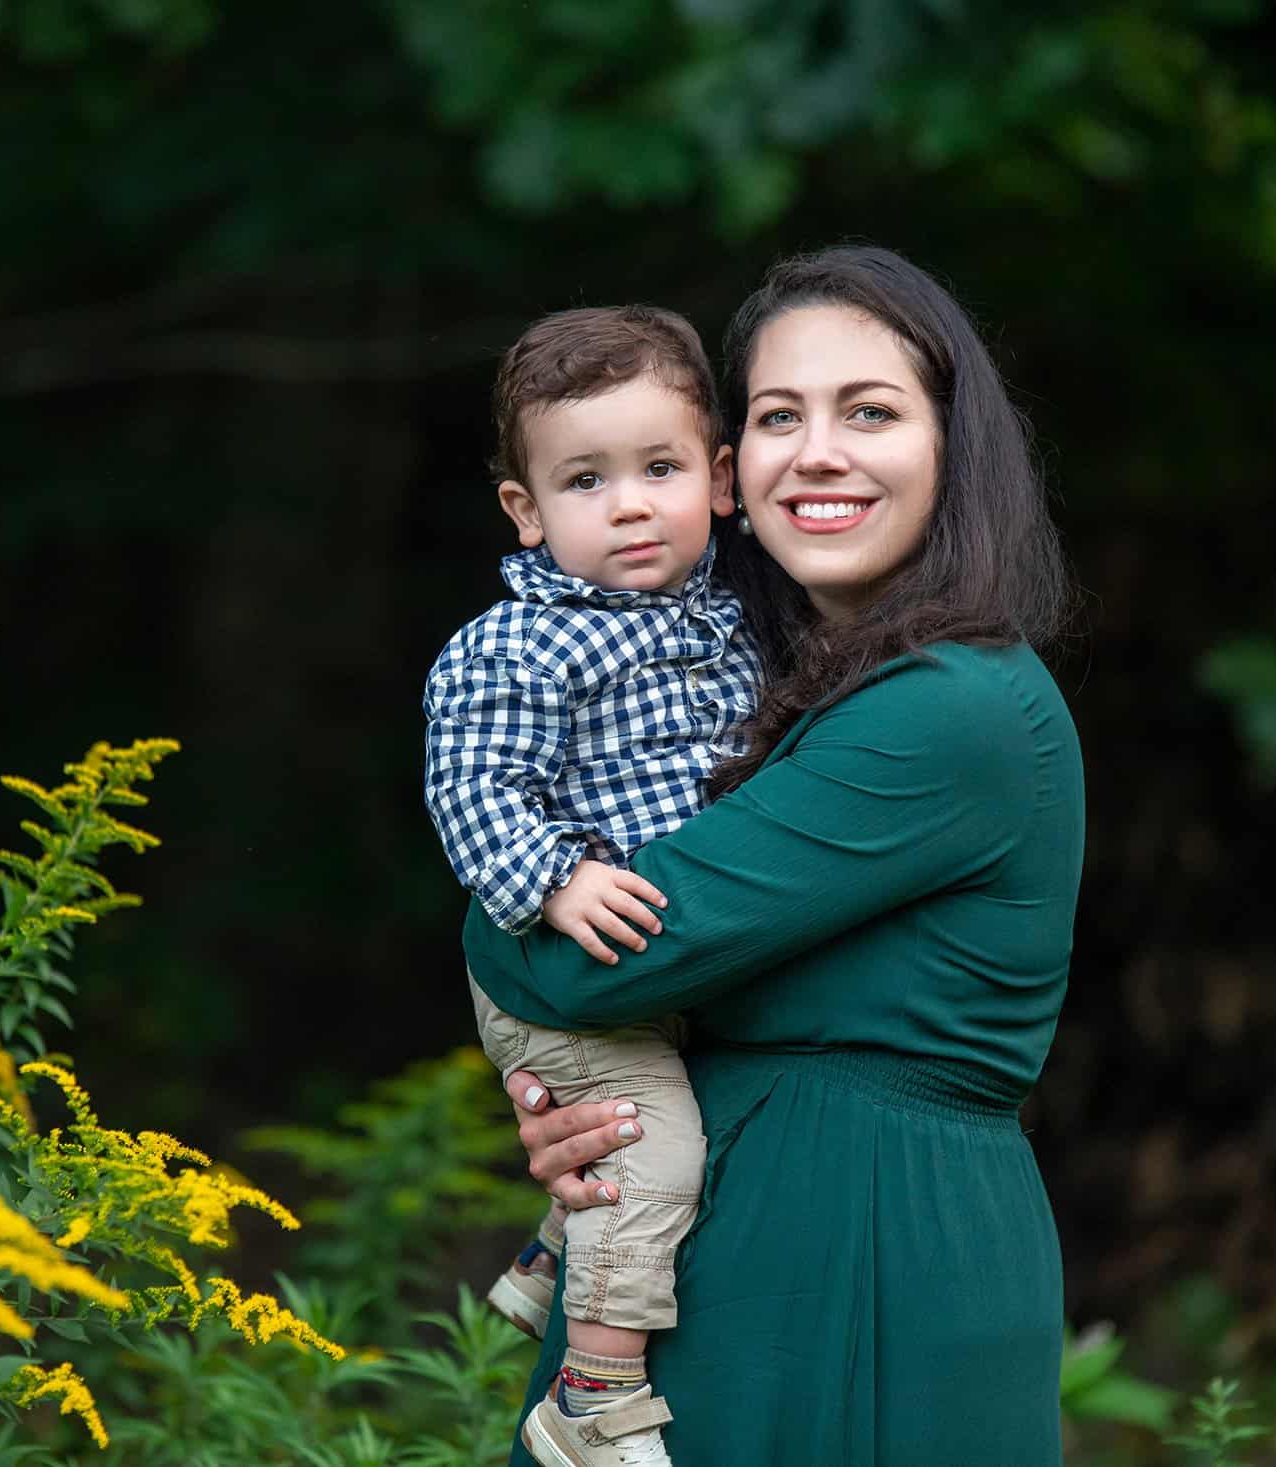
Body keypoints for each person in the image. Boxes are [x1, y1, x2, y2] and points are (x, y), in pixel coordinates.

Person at [464, 244, 1081, 1467]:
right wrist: (575, 1105)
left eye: (870, 411)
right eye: (775, 415)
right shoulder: (778, 692)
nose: (818, 452)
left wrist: (499, 909)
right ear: (730, 466)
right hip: (751, 1253)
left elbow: (591, 966)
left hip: (861, 1269)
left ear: (955, 448)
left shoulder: (946, 712)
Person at [423, 304, 764, 1467]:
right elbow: (469, 788)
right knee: (652, 1148)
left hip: (651, 972)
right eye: (583, 480)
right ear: (524, 512)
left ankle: (543, 1265)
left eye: (658, 468)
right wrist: (557, 879)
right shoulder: (519, 646)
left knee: (648, 1133)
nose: (628, 503)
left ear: (719, 479)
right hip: (556, 969)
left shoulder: (730, 615)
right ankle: (592, 1396)